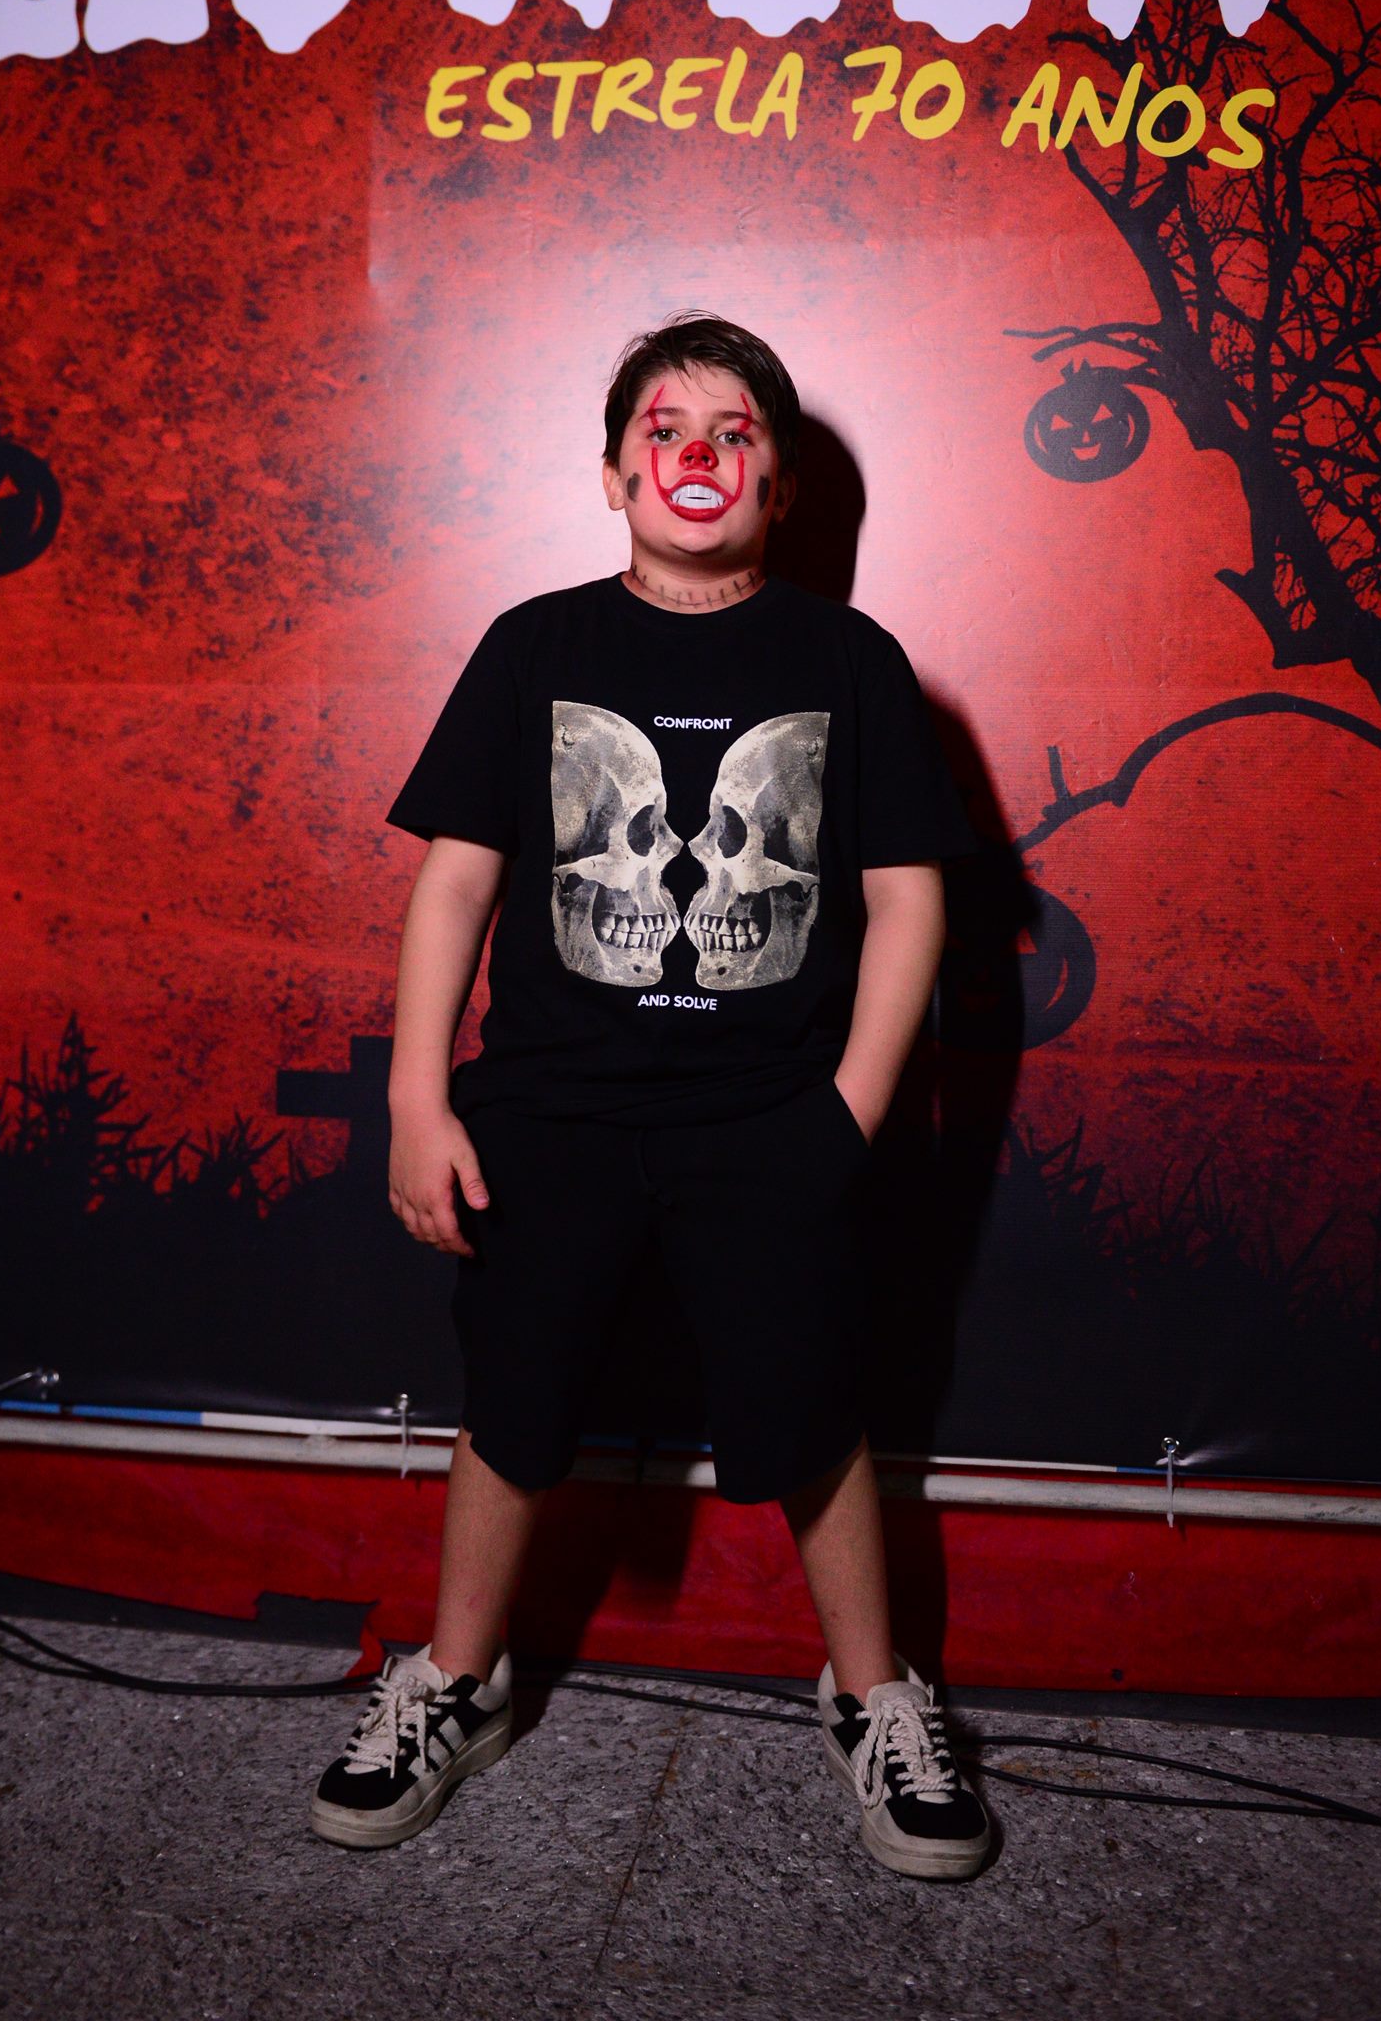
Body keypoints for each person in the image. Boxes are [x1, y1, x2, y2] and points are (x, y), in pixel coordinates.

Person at [309, 312, 991, 1881]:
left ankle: (873, 1693)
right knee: (512, 1403)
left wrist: (847, 1112)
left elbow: (908, 902)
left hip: (772, 1116)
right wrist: (417, 1099)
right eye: (664, 428)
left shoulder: (849, 662)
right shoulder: (534, 646)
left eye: (735, 431)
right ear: (614, 473)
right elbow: (455, 884)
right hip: (551, 1113)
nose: (698, 454)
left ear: (781, 482)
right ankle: (457, 1679)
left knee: (813, 1407)